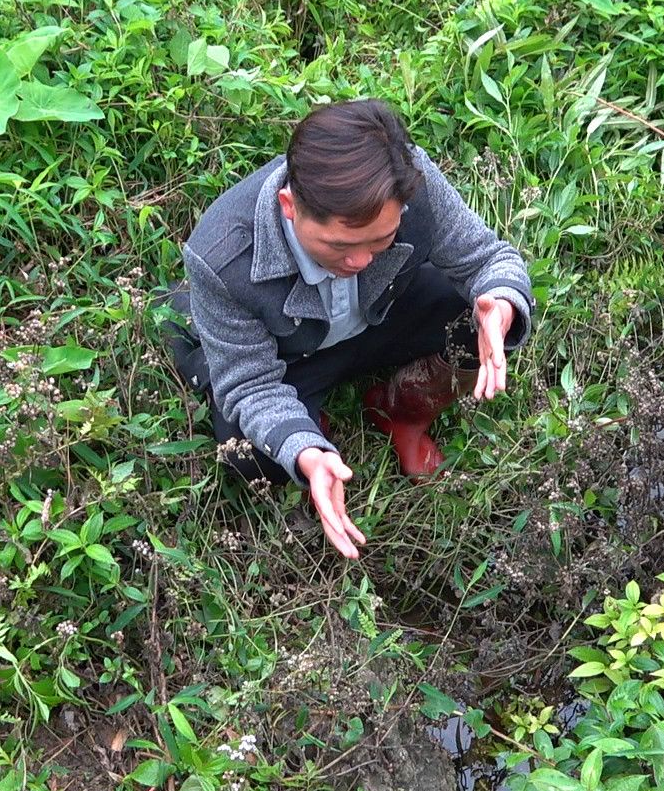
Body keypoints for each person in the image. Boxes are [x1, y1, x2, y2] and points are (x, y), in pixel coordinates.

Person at [164, 99, 533, 559]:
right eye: (339, 246)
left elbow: (487, 258)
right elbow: (251, 385)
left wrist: (499, 304)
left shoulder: (410, 180)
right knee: (249, 452)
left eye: (380, 240)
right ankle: (316, 435)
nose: (359, 262)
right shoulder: (221, 255)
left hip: (381, 314)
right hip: (290, 356)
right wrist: (304, 451)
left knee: (478, 316)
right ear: (289, 206)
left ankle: (403, 411)